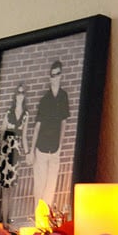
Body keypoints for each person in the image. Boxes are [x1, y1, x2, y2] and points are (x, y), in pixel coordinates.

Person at [28, 60, 70, 209]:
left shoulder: (63, 97)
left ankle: (46, 220)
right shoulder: (45, 100)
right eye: (53, 75)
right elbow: (37, 126)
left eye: (58, 74)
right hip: (42, 147)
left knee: (51, 185)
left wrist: (61, 144)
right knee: (40, 185)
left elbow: (64, 122)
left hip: (55, 148)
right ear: (50, 77)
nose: (55, 77)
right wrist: (31, 151)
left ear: (61, 75)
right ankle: (37, 217)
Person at [0, 83, 29, 226]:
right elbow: (2, 132)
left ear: (24, 96)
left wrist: (27, 153)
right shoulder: (8, 113)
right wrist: (1, 153)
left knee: (12, 189)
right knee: (4, 191)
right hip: (6, 152)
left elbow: (24, 135)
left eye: (22, 93)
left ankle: (9, 220)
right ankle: (4, 222)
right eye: (18, 93)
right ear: (15, 96)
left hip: (16, 153)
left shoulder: (26, 115)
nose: (20, 95)